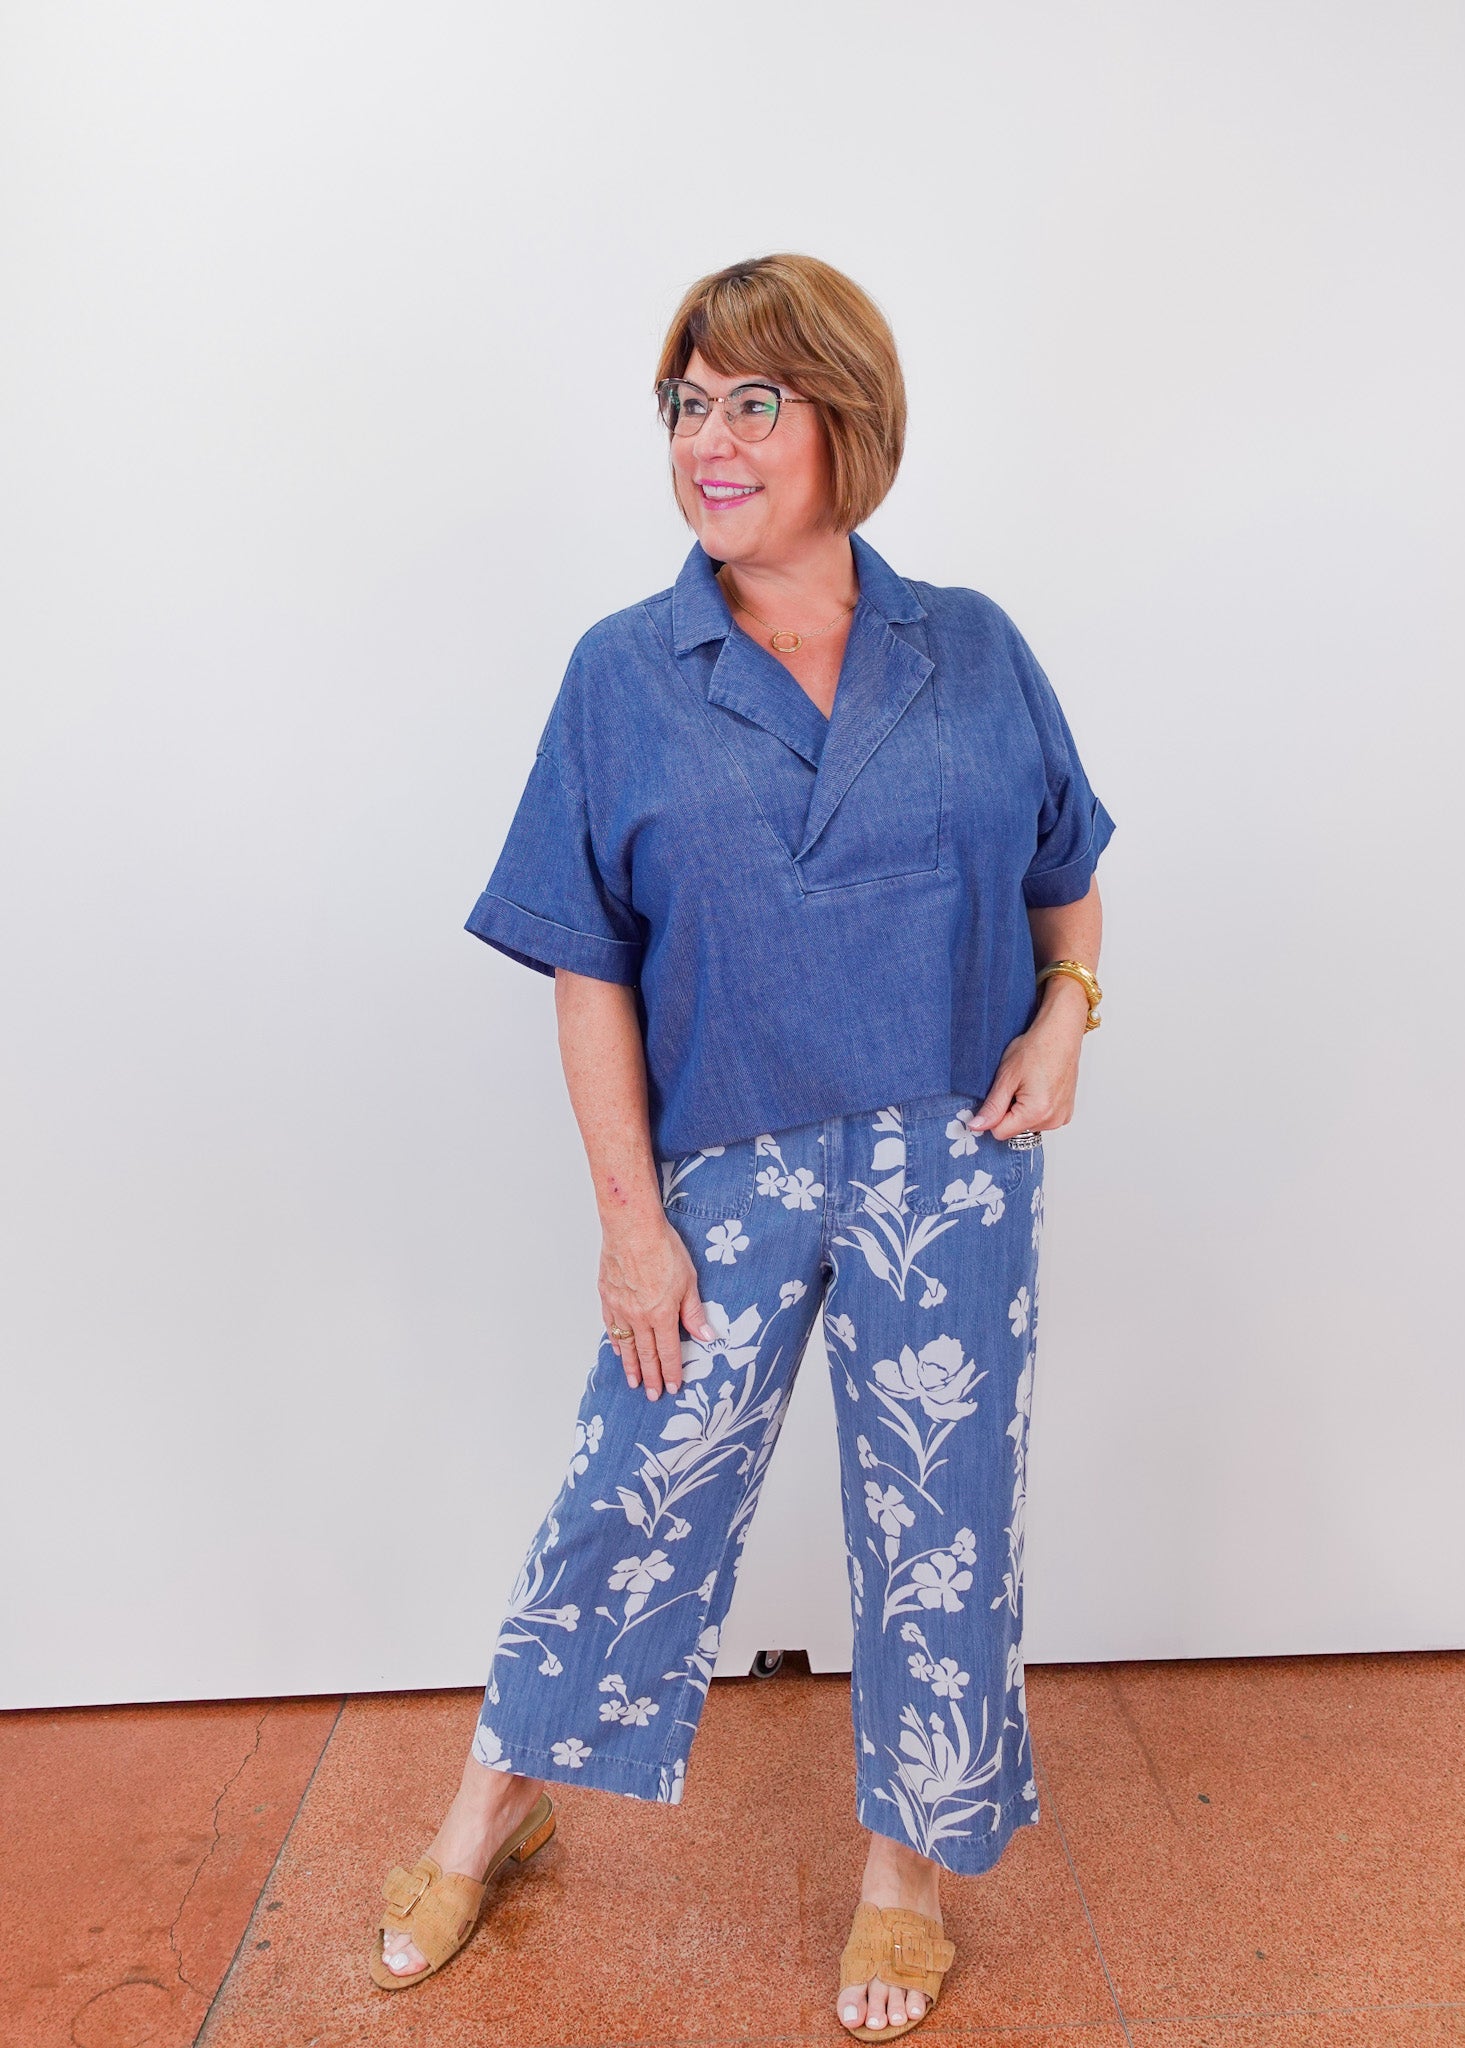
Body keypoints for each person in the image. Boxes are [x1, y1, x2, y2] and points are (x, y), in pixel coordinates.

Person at [371, 252, 1113, 2040]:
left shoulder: (975, 647)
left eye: (750, 400)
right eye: (686, 404)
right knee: (629, 1487)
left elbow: (1066, 868)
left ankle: (903, 1876)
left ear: (843, 418)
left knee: (943, 1524)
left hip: (952, 1154)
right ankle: (498, 1802)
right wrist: (635, 1226)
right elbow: (587, 965)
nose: (710, 438)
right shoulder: (626, 673)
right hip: (734, 1164)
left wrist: (1068, 1014)